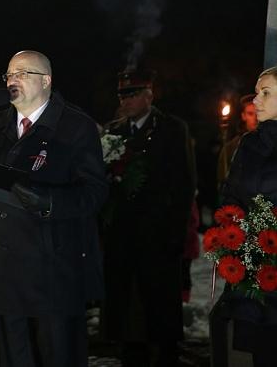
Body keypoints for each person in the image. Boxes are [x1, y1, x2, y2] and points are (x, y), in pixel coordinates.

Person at [0, 50, 107, 367]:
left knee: (57, 353)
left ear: (46, 81)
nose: (13, 80)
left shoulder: (75, 127)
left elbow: (95, 192)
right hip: (5, 270)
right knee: (15, 355)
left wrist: (49, 202)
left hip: (52, 270)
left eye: (22, 73)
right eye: (9, 74)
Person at [102, 70, 196, 366]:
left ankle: (166, 352)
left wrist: (175, 234)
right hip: (123, 234)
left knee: (160, 303)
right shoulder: (114, 131)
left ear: (148, 95)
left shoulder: (171, 129)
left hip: (158, 232)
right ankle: (130, 349)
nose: (125, 101)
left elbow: (183, 185)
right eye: (121, 96)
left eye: (131, 95)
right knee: (127, 301)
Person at [212, 66, 277, 366]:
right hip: (255, 271)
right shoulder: (248, 145)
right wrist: (233, 236)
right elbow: (232, 197)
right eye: (256, 92)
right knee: (261, 350)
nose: (256, 101)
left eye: (265, 93)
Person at [217, 94, 258, 189]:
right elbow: (222, 179)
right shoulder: (232, 147)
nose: (255, 119)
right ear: (243, 116)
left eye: (258, 113)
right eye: (250, 114)